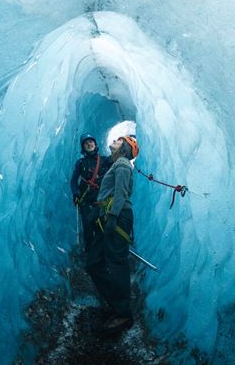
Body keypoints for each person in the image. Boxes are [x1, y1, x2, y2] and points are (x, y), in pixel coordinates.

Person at [87, 135, 139, 335]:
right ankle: (116, 303)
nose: (115, 141)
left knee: (116, 264)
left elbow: (120, 193)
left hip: (117, 216)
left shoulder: (124, 164)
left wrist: (113, 217)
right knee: (94, 262)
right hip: (109, 215)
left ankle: (123, 313)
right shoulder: (117, 164)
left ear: (125, 147)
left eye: (119, 140)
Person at [70, 133, 112, 252]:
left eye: (91, 141)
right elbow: (73, 181)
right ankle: (90, 251)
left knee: (102, 225)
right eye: (86, 143)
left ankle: (103, 250)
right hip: (85, 199)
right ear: (83, 147)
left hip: (102, 199)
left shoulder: (105, 160)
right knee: (88, 225)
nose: (89, 144)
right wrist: (75, 193)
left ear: (95, 144)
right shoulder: (80, 163)